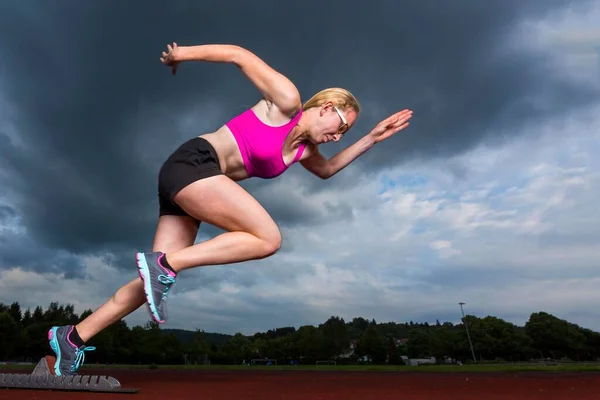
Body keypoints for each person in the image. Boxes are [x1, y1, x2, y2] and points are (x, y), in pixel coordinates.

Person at [47, 43, 413, 376]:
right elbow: (238, 55)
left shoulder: (306, 152)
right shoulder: (286, 101)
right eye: (342, 127)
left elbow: (329, 170)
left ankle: (73, 337)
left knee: (150, 285)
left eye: (345, 135)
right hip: (193, 164)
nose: (338, 136)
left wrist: (372, 138)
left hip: (196, 189)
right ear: (328, 108)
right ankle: (165, 266)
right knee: (268, 238)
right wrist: (180, 55)